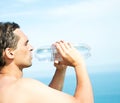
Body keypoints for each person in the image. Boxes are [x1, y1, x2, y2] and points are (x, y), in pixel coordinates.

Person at [0, 22, 94, 103]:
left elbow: (44, 98)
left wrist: (60, 70)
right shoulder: (22, 86)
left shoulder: (6, 87)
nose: (31, 47)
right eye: (26, 44)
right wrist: (79, 64)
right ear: (10, 53)